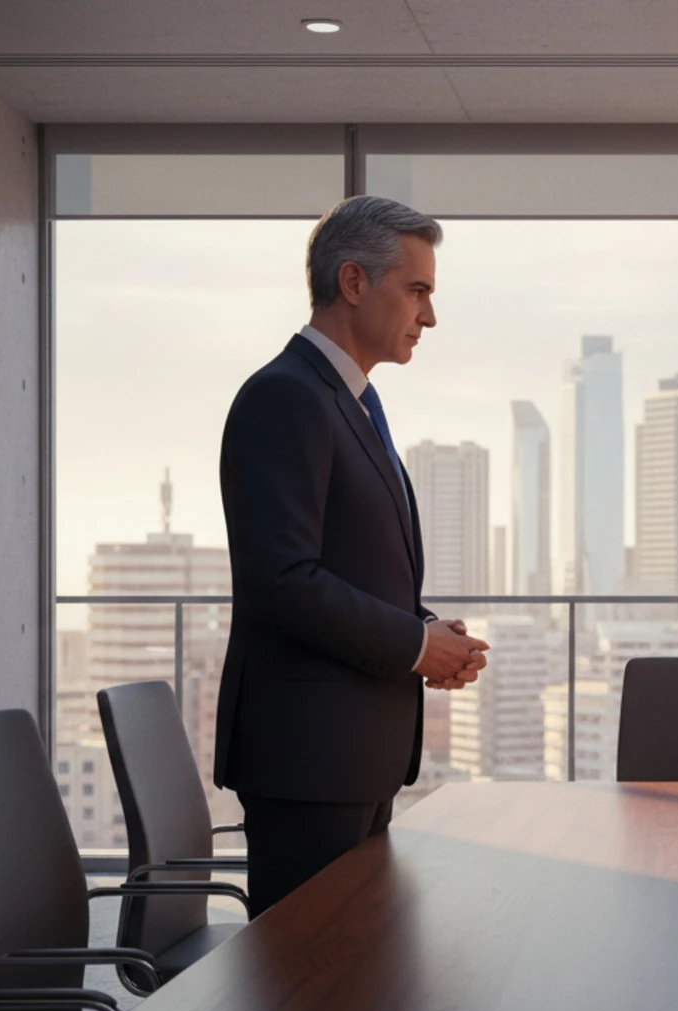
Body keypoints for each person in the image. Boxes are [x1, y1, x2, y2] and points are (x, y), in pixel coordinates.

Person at [215, 196, 488, 915]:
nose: (428, 317)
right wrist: (411, 645)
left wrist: (428, 632)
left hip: (353, 755)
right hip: (309, 761)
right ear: (355, 282)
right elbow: (284, 580)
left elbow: (350, 565)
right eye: (418, 290)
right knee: (311, 995)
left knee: (356, 985)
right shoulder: (286, 397)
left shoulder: (349, 401)